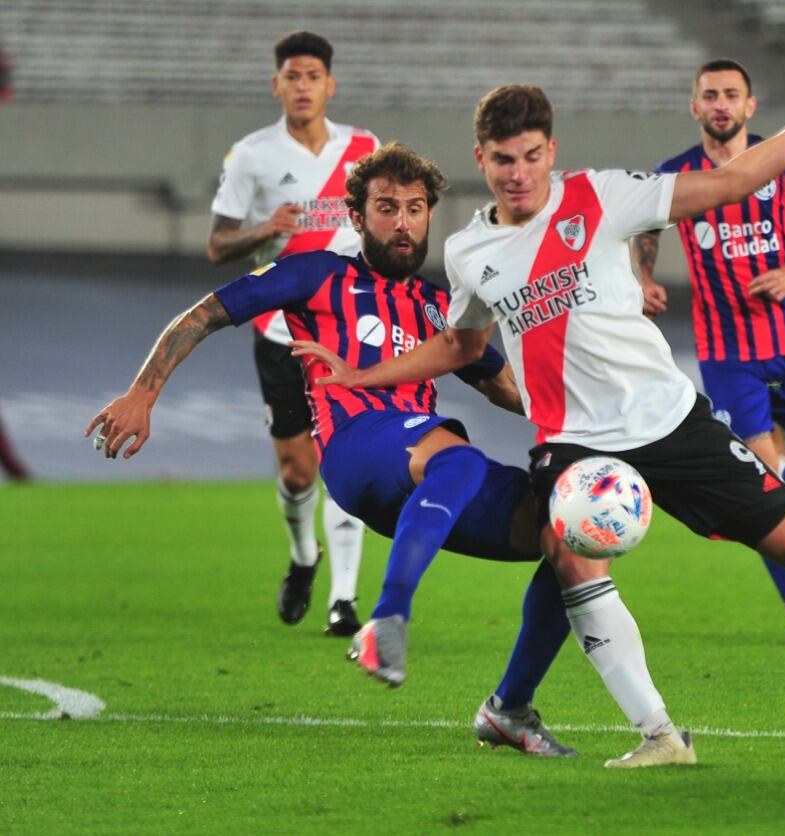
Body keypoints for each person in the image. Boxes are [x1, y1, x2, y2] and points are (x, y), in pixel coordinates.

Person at [294, 71, 785, 770]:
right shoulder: (468, 252)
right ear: (481, 158)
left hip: (666, 419)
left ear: (552, 151)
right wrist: (363, 376)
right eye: (503, 159)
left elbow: (731, 184)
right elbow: (462, 345)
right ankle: (661, 733)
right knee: (571, 558)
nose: (519, 174)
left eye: (532, 155)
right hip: (571, 443)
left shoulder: (603, 196)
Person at [87, 142, 577, 758]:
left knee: (571, 536)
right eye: (386, 207)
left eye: (416, 208)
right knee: (458, 453)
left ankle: (509, 708)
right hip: (356, 448)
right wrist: (143, 392)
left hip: (423, 470)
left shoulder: (438, 306)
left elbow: (510, 389)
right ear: (357, 217)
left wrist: (590, 424)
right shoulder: (317, 273)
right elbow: (205, 314)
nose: (403, 222)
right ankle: (386, 619)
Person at [630, 59, 785, 646]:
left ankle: (780, 524)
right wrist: (643, 278)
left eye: (732, 94)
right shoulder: (675, 175)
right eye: (710, 95)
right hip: (728, 356)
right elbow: (644, 228)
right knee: (767, 478)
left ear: (750, 107)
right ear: (694, 107)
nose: (721, 103)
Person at [206, 32, 377, 636]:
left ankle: (345, 599)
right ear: (276, 84)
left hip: (350, 329)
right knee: (297, 471)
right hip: (282, 331)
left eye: (313, 75)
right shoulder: (251, 155)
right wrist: (263, 230)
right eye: (291, 75)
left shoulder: (365, 149)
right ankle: (305, 556)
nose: (302, 86)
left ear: (330, 84)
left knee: (346, 456)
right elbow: (217, 244)